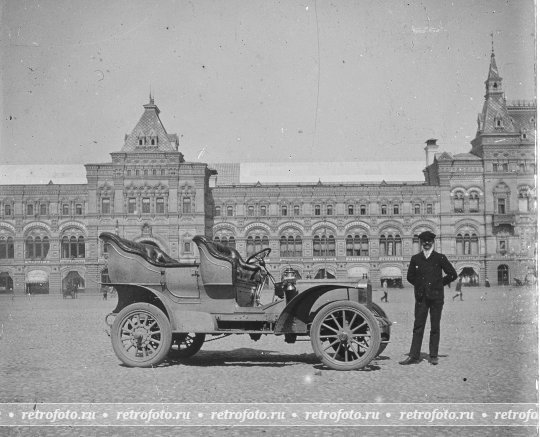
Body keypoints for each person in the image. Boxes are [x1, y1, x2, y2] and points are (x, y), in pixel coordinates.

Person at [399, 231, 457, 366]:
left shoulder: (440, 258)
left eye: (429, 241)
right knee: (418, 326)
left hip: (436, 298)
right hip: (421, 298)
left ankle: (433, 356)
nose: (426, 243)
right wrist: (420, 286)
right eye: (424, 241)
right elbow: (410, 277)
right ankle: (414, 356)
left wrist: (439, 284)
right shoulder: (416, 259)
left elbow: (453, 274)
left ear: (433, 242)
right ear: (421, 243)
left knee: (435, 326)